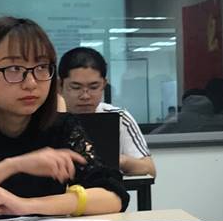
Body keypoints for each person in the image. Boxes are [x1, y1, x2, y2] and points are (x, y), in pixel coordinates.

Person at [0, 16, 128, 219]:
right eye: (14, 69)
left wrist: (26, 205)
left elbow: (113, 196)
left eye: (42, 67)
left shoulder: (61, 126)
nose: (31, 83)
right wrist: (12, 166)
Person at [57, 46, 157, 177]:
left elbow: (150, 169)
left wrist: (117, 160)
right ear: (60, 86)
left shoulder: (119, 117)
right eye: (76, 87)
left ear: (104, 85)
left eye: (94, 87)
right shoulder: (46, 118)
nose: (85, 96)